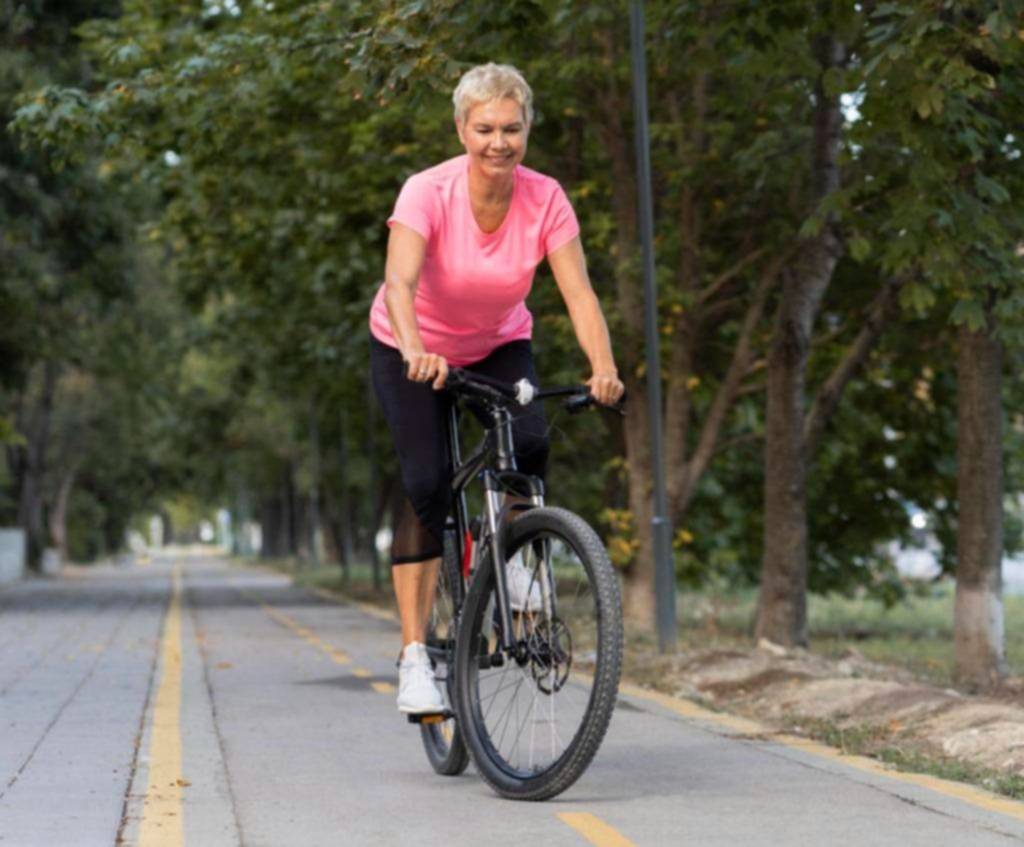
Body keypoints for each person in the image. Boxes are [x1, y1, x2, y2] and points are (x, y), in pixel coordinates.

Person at [368, 62, 624, 714]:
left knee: (530, 441)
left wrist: (603, 367)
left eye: (511, 128)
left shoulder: (546, 198)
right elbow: (399, 284)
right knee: (427, 483)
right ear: (462, 129)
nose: (498, 142)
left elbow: (578, 292)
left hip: (498, 343)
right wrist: (416, 350)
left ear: (527, 129)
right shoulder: (427, 191)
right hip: (412, 346)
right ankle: (414, 656)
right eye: (484, 129)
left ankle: (509, 559)